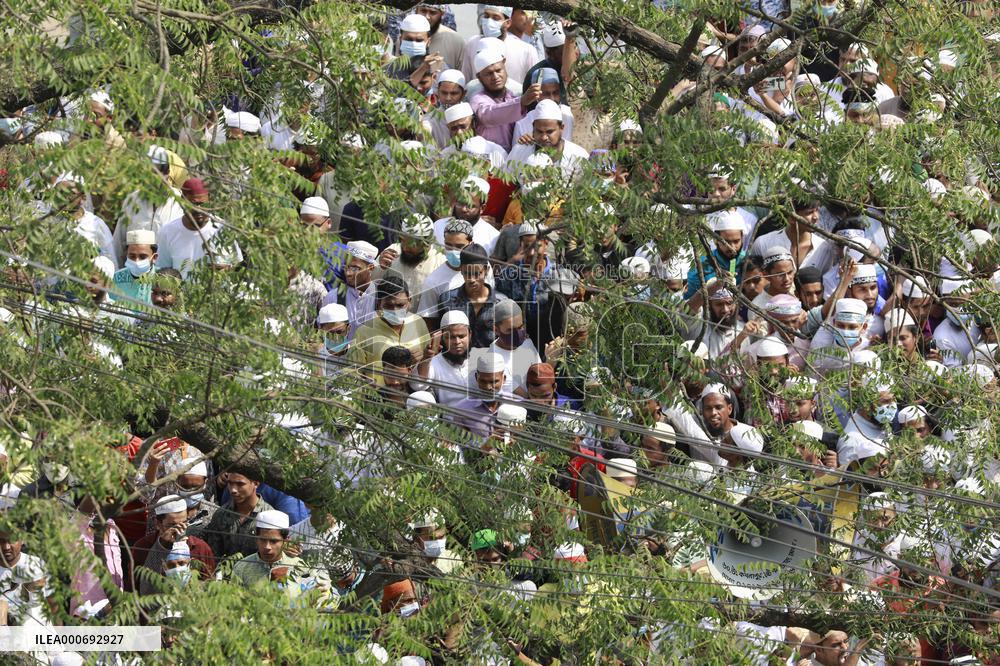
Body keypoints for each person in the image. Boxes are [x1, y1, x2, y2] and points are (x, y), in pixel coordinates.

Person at [232, 510, 329, 603]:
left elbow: (321, 594)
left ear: (286, 541)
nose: (267, 547)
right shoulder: (242, 568)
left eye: (273, 541)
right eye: (262, 540)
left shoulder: (301, 567)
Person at [156, 178, 243, 278]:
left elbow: (236, 264)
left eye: (202, 204)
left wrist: (225, 270)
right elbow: (163, 270)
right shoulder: (168, 232)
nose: (198, 209)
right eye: (193, 204)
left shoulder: (222, 229)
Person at [351, 272, 430, 377]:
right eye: (389, 306)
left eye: (400, 305)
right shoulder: (364, 332)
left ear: (409, 301)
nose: (395, 311)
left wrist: (422, 358)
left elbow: (428, 361)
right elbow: (352, 372)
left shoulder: (418, 323)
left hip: (413, 390)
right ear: (379, 304)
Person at [132, 495, 215, 594]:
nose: (180, 530)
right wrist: (162, 546)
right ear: (158, 524)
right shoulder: (143, 547)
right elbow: (135, 588)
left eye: (184, 523)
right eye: (173, 526)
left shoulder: (200, 548)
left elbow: (210, 587)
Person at [468, 47, 541, 152]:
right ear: (479, 77)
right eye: (489, 73)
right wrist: (521, 102)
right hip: (489, 160)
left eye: (498, 70)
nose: (495, 77)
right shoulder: (477, 100)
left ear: (504, 68)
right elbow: (489, 115)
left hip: (517, 159)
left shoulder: (513, 97)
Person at [437, 243, 509, 348]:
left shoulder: (501, 303)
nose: (472, 280)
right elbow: (440, 337)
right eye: (467, 273)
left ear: (486, 271)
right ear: (461, 270)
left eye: (477, 274)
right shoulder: (447, 300)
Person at [470, 299, 540, 396]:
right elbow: (525, 397)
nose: (518, 334)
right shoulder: (493, 360)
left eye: (520, 327)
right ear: (496, 330)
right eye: (510, 330)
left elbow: (541, 378)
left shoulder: (527, 343)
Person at [201, 471, 275, 561]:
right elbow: (214, 555)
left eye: (240, 484)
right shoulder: (221, 514)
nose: (233, 490)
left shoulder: (269, 516)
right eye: (230, 483)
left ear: (255, 483)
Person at [507, 99, 589, 180]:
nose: (544, 137)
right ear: (533, 127)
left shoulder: (579, 155)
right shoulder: (519, 151)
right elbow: (506, 185)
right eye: (539, 131)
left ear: (562, 128)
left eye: (549, 132)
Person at [322, 240, 380, 340]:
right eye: (346, 267)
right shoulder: (333, 297)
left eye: (355, 269)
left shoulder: (381, 298)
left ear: (370, 268)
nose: (348, 273)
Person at [417, 218, 474, 319]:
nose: (453, 251)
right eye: (448, 246)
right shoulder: (433, 281)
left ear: (471, 244)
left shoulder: (483, 268)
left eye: (459, 246)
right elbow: (427, 320)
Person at [431, 176, 500, 254]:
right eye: (460, 203)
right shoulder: (438, 226)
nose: (463, 209)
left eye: (470, 206)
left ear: (482, 208)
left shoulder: (492, 238)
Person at [421, 309, 473, 407]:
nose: (457, 342)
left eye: (461, 336)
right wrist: (426, 359)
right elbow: (418, 385)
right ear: (442, 338)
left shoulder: (480, 357)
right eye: (451, 337)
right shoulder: (433, 363)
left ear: (470, 335)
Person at [449, 352, 506, 439]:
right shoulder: (462, 410)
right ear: (476, 378)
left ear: (504, 379)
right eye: (483, 381)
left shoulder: (516, 405)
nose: (488, 387)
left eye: (493, 382)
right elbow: (459, 444)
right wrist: (485, 445)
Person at [110, 229, 158, 309]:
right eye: (132, 256)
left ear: (154, 257)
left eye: (143, 257)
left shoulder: (163, 280)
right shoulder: (116, 278)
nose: (136, 261)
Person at [414, 4, 465, 70]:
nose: (427, 17)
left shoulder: (456, 41)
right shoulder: (403, 36)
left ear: (442, 14)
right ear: (416, 10)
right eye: (423, 11)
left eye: (433, 13)